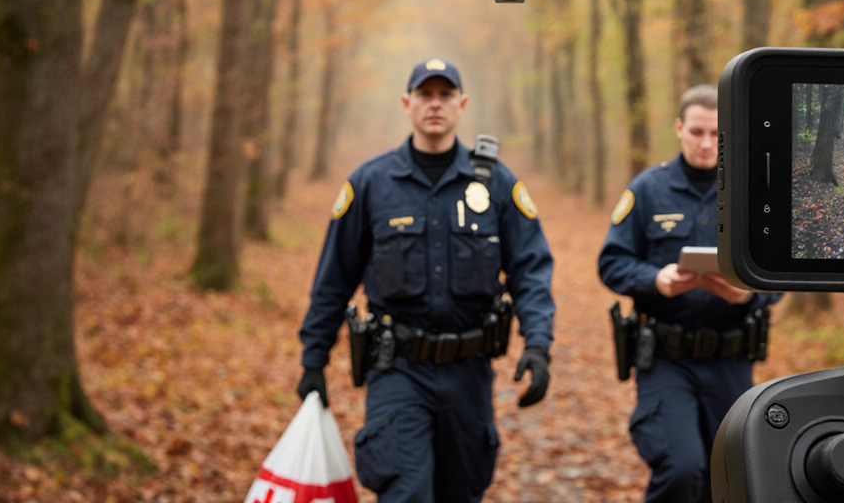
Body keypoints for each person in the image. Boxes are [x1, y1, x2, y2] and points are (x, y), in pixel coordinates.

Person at [296, 58, 556, 503]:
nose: (435, 104)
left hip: (469, 372)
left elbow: (530, 269)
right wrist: (313, 359)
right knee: (407, 491)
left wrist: (538, 344)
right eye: (425, 94)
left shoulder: (496, 183)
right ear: (407, 103)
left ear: (462, 104)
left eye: (445, 95)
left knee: (461, 491)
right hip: (397, 368)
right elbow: (334, 278)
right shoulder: (371, 183)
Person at [599, 85, 779, 503]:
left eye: (716, 134)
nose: (706, 143)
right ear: (679, 128)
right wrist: (654, 280)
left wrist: (748, 296)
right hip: (667, 357)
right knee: (681, 468)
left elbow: (778, 274)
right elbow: (612, 262)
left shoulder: (752, 191)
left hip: (731, 358)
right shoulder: (647, 190)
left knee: (729, 479)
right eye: (697, 132)